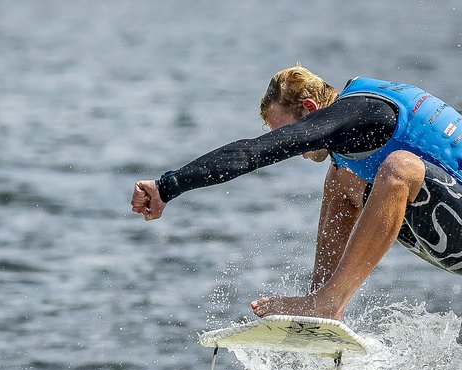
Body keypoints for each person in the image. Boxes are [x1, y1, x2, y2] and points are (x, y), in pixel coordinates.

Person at [130, 65, 462, 320]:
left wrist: (166, 186)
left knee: (400, 167)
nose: (299, 147)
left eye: (291, 130)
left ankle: (325, 304)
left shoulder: (356, 114)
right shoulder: (356, 118)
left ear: (308, 108)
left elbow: (254, 152)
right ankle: (322, 303)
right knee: (339, 177)